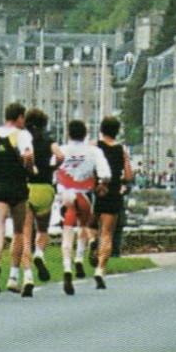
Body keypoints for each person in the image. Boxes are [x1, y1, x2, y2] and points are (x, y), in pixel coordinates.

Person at [0, 102, 34, 296]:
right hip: (18, 187)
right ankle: (13, 275)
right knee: (19, 231)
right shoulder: (22, 135)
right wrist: (30, 167)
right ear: (20, 118)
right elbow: (28, 157)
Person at [53, 118, 109, 294]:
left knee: (67, 233)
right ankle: (79, 257)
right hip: (85, 194)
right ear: (85, 134)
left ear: (68, 134)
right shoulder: (94, 151)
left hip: (66, 196)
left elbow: (51, 170)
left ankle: (67, 268)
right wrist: (101, 184)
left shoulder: (60, 150)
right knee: (83, 227)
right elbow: (105, 173)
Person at [21, 108, 60, 295]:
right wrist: (53, 167)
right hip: (45, 187)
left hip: (27, 187)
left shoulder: (23, 141)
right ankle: (39, 254)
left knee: (25, 235)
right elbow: (60, 155)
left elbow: (23, 157)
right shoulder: (48, 140)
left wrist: (27, 167)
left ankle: (28, 277)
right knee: (43, 230)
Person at [91, 116, 132, 289]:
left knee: (90, 225)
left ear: (101, 129)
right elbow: (129, 176)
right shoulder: (122, 150)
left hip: (94, 190)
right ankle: (100, 269)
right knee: (107, 233)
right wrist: (121, 181)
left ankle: (92, 240)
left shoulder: (94, 146)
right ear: (117, 131)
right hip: (113, 192)